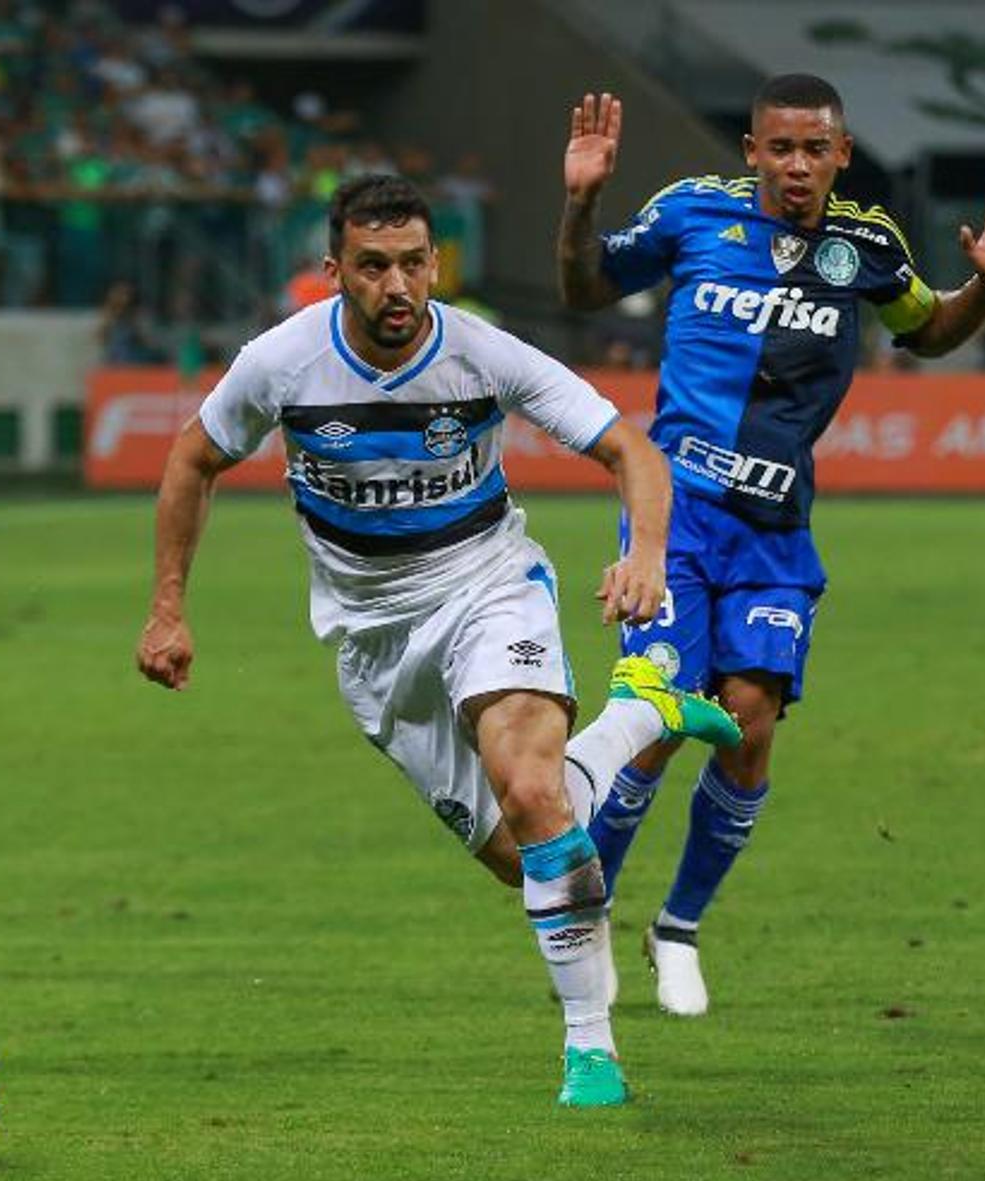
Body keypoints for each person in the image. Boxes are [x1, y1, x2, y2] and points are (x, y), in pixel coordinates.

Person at [134, 174, 740, 1107]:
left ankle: (592, 1049)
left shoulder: (481, 353)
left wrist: (647, 552)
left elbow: (632, 449)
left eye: (415, 263)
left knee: (535, 793)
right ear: (336, 270)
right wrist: (168, 607)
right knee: (521, 852)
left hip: (489, 587)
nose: (398, 286)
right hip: (374, 643)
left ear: (435, 264)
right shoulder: (283, 361)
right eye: (373, 266)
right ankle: (639, 715)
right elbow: (193, 457)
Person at [556, 76, 985, 1016]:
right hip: (677, 516)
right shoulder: (692, 214)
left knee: (748, 722)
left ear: (843, 155)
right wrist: (581, 203)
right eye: (780, 148)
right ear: (751, 152)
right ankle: (583, 921)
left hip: (775, 529)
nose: (797, 166)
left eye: (815, 149)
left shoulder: (867, 247)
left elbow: (928, 332)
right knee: (654, 720)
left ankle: (679, 928)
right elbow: (583, 287)